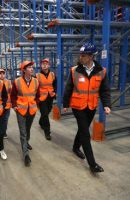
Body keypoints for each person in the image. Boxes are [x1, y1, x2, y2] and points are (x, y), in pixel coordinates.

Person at [63, 43, 111, 173]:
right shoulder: (75, 71)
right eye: (80, 55)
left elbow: (105, 90)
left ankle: (75, 147)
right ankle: (92, 164)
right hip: (78, 106)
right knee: (85, 132)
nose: (80, 57)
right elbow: (68, 88)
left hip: (91, 106)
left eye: (83, 55)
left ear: (90, 57)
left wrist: (106, 104)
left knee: (82, 129)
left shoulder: (102, 71)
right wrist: (65, 104)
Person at [11, 60, 39, 167]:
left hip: (31, 110)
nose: (32, 69)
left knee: (27, 129)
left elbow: (38, 95)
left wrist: (36, 104)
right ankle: (26, 155)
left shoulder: (36, 81)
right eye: (29, 67)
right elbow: (13, 95)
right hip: (21, 110)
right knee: (23, 132)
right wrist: (14, 106)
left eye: (32, 67)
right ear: (24, 70)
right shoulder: (17, 82)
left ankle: (26, 142)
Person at [36, 58, 57, 140]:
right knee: (45, 114)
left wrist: (55, 92)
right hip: (42, 98)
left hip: (50, 96)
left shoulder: (52, 74)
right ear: (41, 66)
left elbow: (55, 84)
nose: (44, 65)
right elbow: (35, 87)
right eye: (43, 64)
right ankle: (47, 132)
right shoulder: (37, 76)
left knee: (47, 112)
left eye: (46, 63)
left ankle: (41, 122)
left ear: (49, 65)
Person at [0, 68, 12, 139]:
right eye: (0, 73)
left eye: (3, 73)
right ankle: (0, 132)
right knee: (0, 120)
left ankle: (4, 132)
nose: (2, 75)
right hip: (0, 105)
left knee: (5, 120)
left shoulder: (8, 82)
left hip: (7, 105)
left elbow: (10, 92)